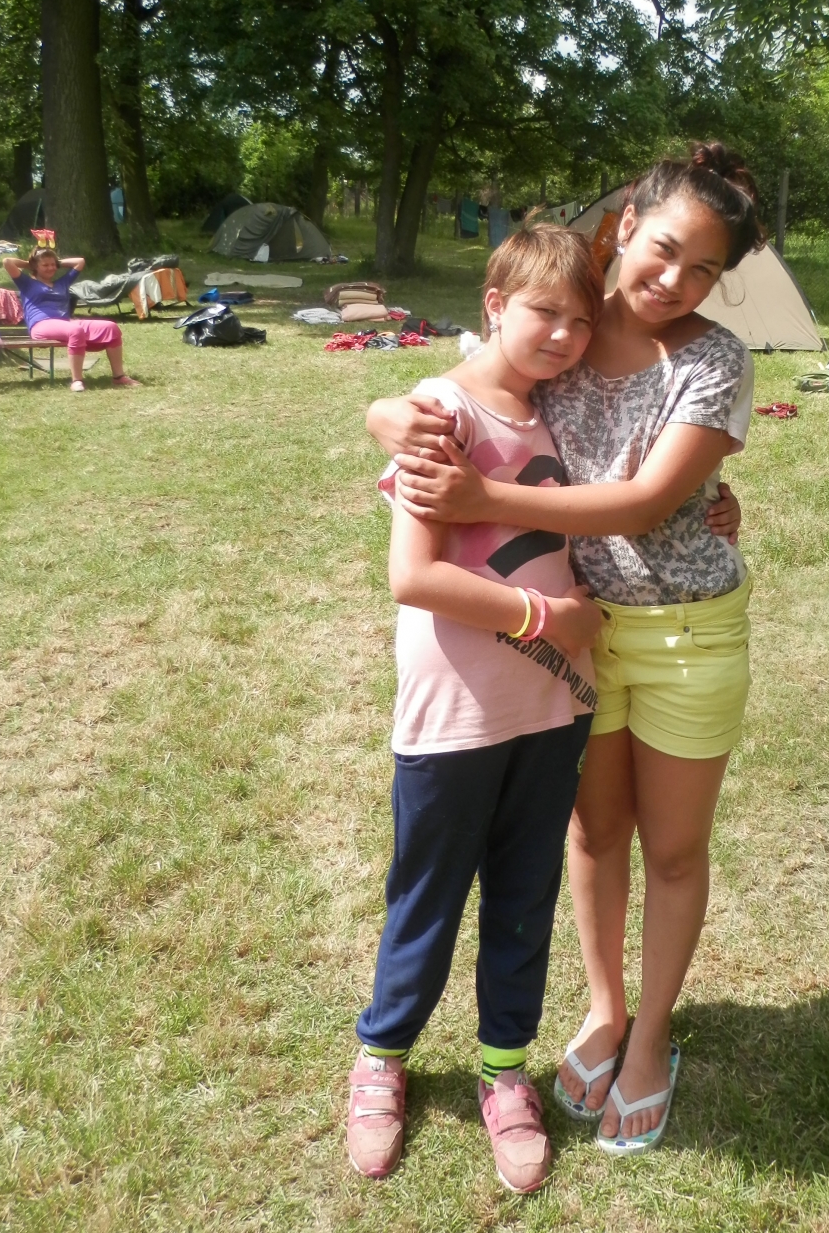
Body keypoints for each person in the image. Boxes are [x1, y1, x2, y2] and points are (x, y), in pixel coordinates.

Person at [368, 143, 761, 1157]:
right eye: (663, 249)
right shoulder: (571, 328)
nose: (673, 280)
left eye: (704, 269)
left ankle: (651, 1039)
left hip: (681, 633)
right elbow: (462, 386)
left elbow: (643, 500)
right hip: (574, 642)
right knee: (591, 837)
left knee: (672, 849)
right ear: (625, 226)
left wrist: (482, 498)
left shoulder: (714, 360)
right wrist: (388, 415)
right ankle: (603, 1008)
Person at [348, 224, 607, 1193]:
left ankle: (506, 1071)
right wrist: (548, 615)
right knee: (427, 895)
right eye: (546, 312)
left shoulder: (569, 413)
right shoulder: (439, 413)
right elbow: (413, 577)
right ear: (494, 304)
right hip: (455, 713)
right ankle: (383, 1058)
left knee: (525, 897)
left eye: (582, 322)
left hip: (555, 706)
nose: (565, 336)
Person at [2, 234, 140, 391]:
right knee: (75, 330)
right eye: (45, 265)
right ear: (36, 267)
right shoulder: (26, 283)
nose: (51, 268)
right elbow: (7, 262)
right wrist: (31, 263)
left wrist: (55, 262)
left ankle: (119, 377)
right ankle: (76, 380)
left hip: (64, 323)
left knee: (110, 327)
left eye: (53, 265)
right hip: (41, 325)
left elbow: (80, 262)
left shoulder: (62, 283)